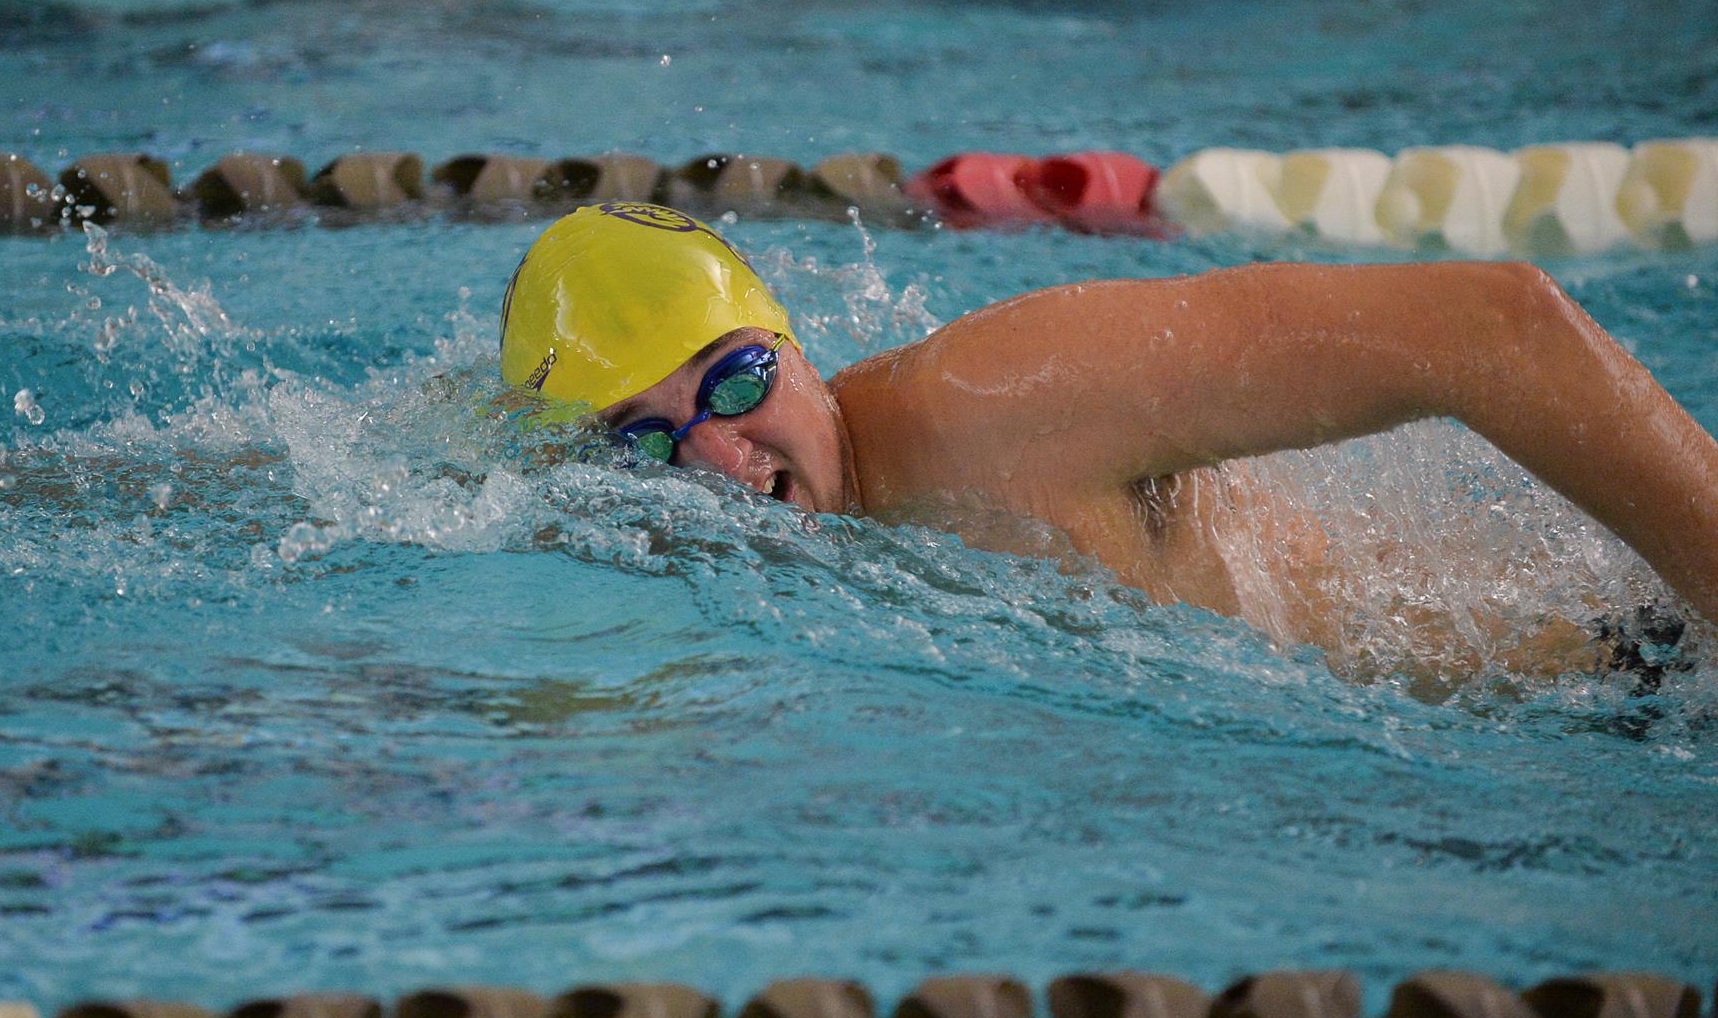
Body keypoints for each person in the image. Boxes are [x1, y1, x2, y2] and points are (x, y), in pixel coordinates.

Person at [500, 201, 1718, 674]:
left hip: (1619, 672)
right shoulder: (693, 570)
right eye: (643, 442)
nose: (716, 460)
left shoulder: (997, 401)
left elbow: (1490, 326)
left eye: (733, 382)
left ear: (794, 345)